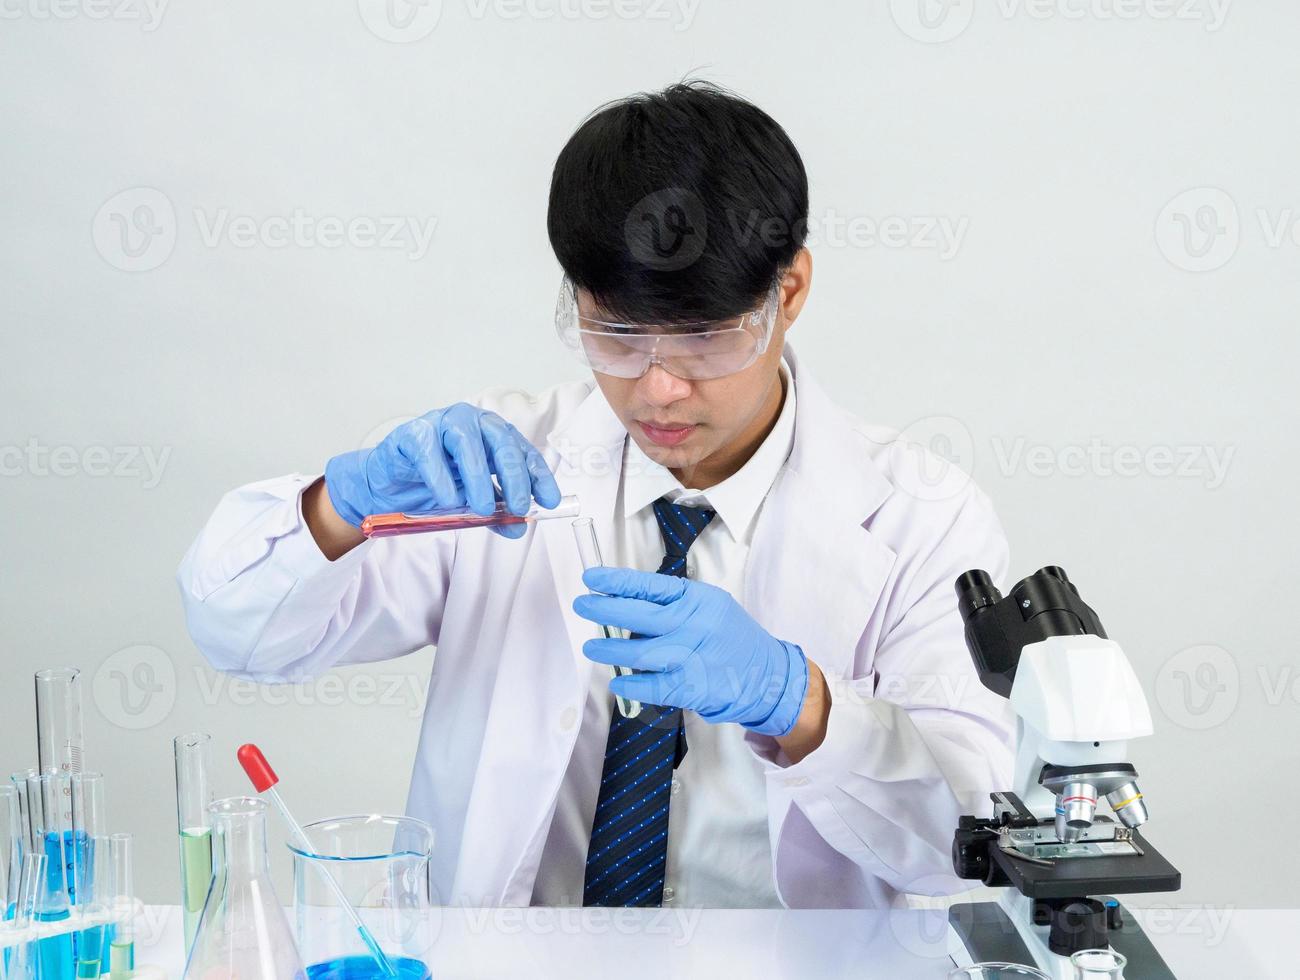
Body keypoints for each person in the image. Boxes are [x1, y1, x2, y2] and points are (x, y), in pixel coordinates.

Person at [178, 81, 1013, 910]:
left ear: (787, 292)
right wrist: (343, 505)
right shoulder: (497, 469)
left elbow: (967, 838)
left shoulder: (922, 515)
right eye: (615, 333)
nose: (659, 390)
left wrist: (799, 704)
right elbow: (237, 631)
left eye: (703, 337)